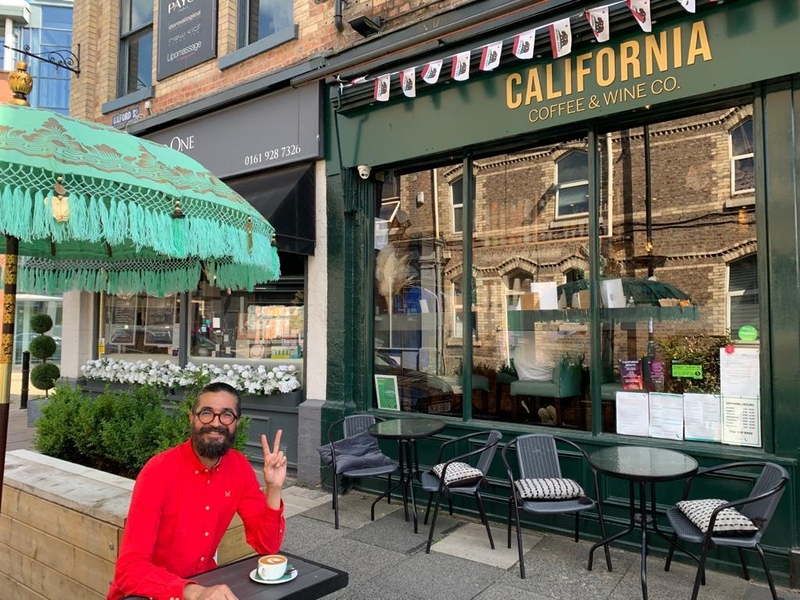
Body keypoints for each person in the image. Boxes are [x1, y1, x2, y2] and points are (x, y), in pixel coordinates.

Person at [107, 381, 287, 600]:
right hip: (148, 593)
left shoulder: (238, 466)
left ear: (236, 423)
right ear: (192, 418)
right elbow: (129, 569)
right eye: (206, 413)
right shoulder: (158, 471)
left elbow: (267, 546)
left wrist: (273, 489)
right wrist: (193, 591)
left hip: (205, 583)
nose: (216, 423)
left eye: (226, 415)